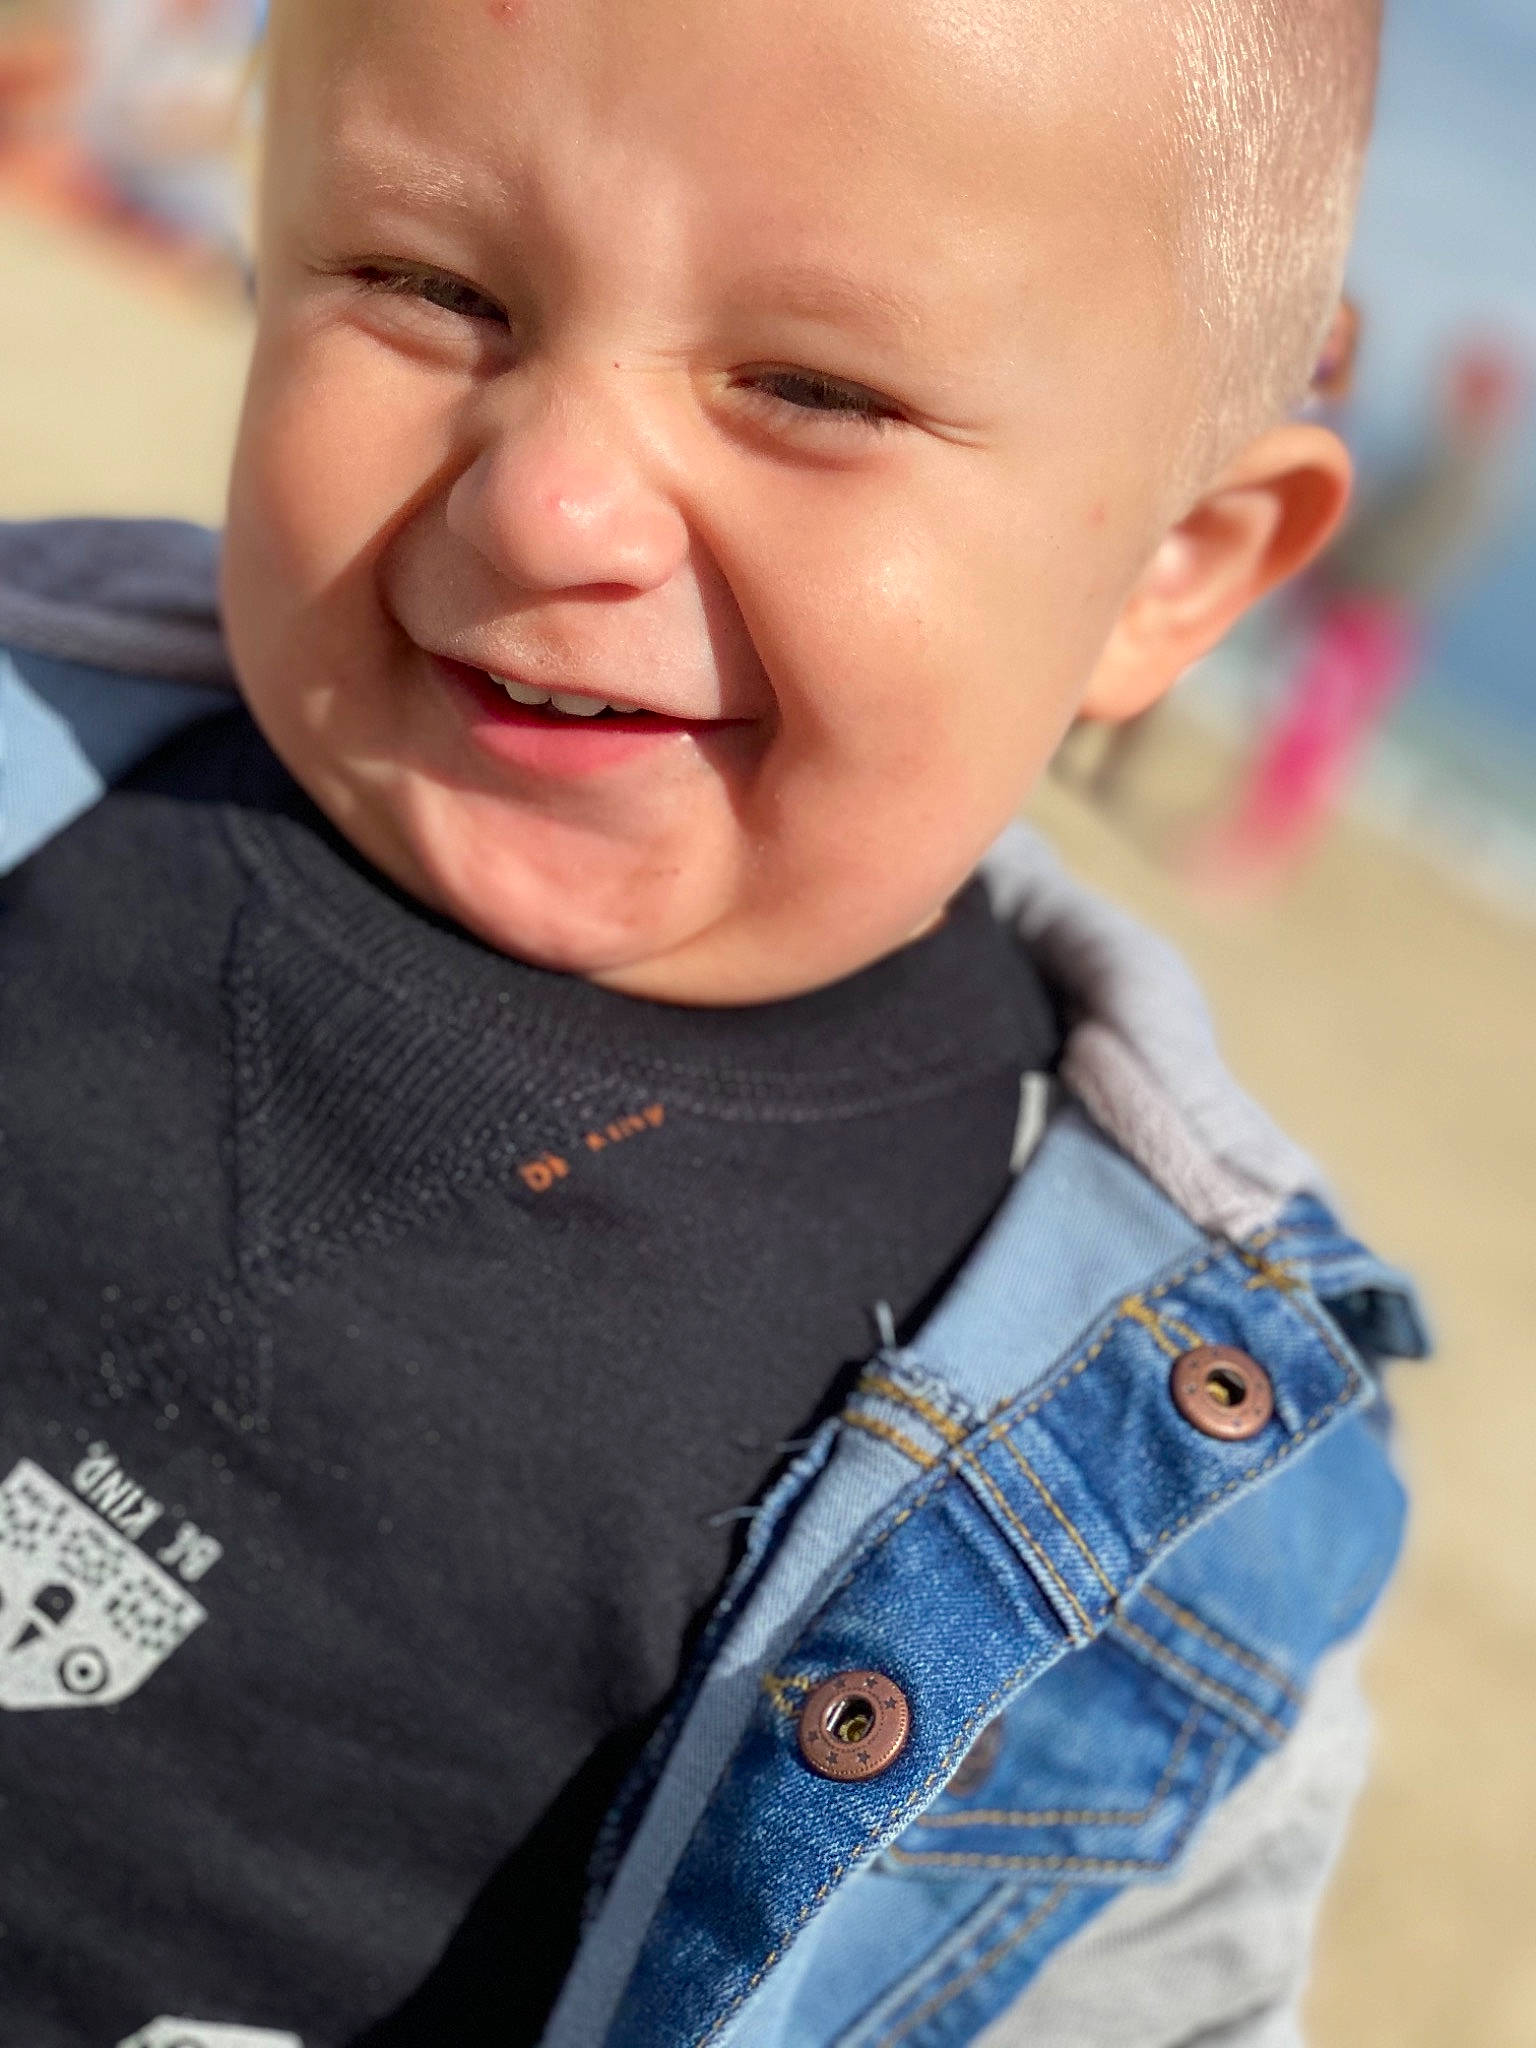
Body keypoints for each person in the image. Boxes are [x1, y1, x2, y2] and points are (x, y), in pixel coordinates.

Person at [0, 4, 1430, 2046]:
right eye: (430, 286)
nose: (552, 505)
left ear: (1169, 575)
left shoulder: (1146, 1520)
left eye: (812, 389)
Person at [1188, 339, 1526, 885]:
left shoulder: (1462, 468)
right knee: (1315, 736)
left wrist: (1337, 558)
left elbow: (1402, 549)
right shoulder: (1466, 466)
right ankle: (1250, 851)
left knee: (1309, 734)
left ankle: (1244, 858)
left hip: (1369, 612)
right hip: (1380, 615)